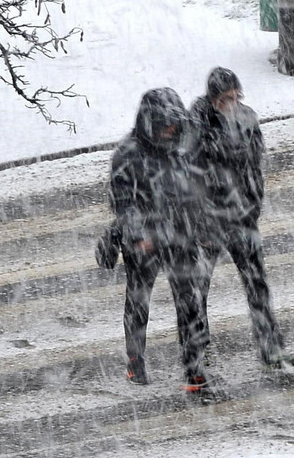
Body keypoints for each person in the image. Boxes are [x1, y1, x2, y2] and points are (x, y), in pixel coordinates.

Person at [190, 67, 294, 370]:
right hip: (210, 221)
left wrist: (252, 205)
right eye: (226, 99)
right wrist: (202, 222)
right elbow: (192, 179)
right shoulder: (196, 126)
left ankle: (271, 346)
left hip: (242, 217)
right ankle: (197, 348)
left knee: (257, 284)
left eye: (237, 96)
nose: (233, 103)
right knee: (198, 288)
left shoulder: (247, 119)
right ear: (213, 100)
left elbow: (254, 167)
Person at [108, 87, 215, 392]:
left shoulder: (180, 149)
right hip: (146, 242)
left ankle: (193, 367)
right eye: (165, 124)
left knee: (190, 300)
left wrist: (203, 227)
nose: (171, 130)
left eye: (174, 123)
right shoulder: (128, 155)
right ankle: (135, 361)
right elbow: (123, 202)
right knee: (139, 301)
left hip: (179, 235)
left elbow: (196, 192)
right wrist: (139, 236)